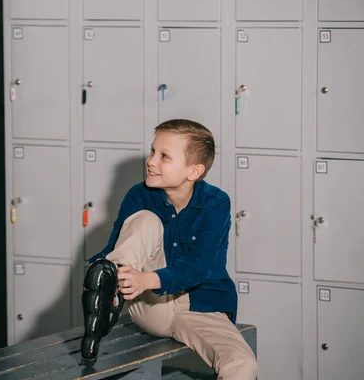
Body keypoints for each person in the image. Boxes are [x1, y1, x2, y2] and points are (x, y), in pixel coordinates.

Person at [81, 119, 257, 379]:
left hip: (200, 306)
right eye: (153, 151)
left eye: (164, 156)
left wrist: (147, 279)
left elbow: (200, 265)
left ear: (194, 172)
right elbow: (119, 243)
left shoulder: (216, 203)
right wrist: (115, 271)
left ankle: (112, 283)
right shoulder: (139, 195)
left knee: (242, 364)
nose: (151, 161)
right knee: (145, 220)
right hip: (150, 302)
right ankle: (110, 289)